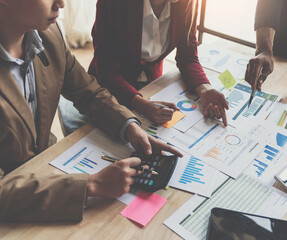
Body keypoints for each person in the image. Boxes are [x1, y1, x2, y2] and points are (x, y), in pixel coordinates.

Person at [0, 0, 182, 222]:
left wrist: (130, 127)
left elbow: (87, 90)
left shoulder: (49, 34)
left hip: (46, 168)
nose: (62, 4)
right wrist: (91, 185)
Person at [88, 0, 229, 126]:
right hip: (109, 89)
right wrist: (142, 105)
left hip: (152, 83)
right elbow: (107, 71)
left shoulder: (186, 2)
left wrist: (204, 88)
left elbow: (188, 56)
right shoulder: (113, 3)